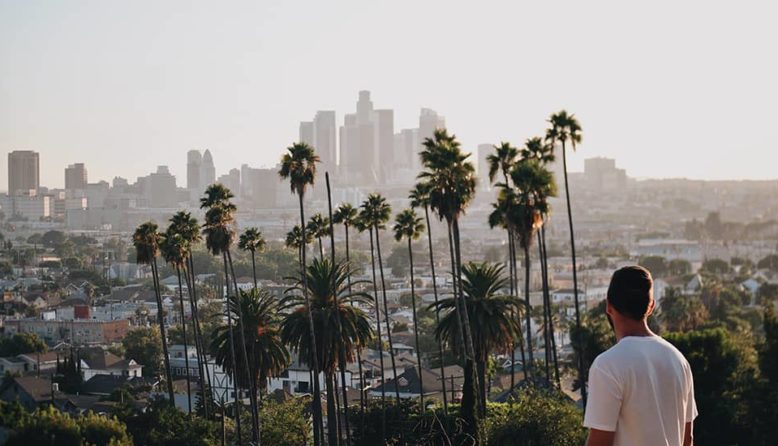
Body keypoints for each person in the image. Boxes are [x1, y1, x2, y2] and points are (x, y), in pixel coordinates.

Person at [584, 265, 698, 446]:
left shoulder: (607, 366)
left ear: (608, 306)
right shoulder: (678, 360)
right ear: (651, 306)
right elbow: (687, 439)